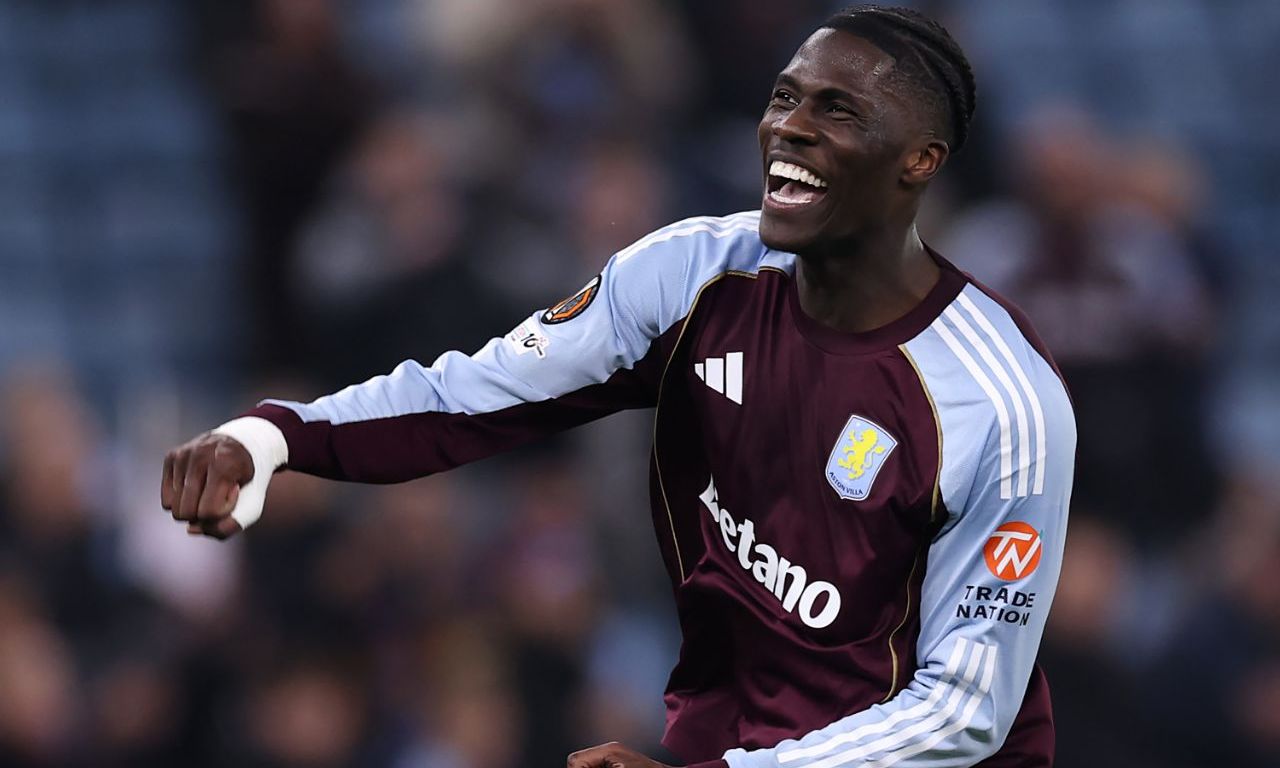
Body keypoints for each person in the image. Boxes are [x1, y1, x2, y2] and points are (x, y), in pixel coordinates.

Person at [161, 6, 1075, 768]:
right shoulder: (690, 278)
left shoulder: (1001, 402)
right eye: (784, 97)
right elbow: (470, 396)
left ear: (920, 160)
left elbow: (963, 713)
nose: (789, 128)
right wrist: (275, 437)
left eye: (837, 111)